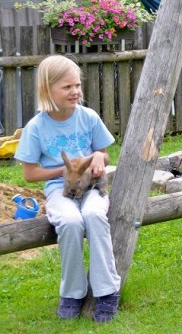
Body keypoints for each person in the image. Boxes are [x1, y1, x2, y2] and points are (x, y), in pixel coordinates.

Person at [15, 55, 121, 322]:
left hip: (92, 187)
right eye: (67, 87)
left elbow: (104, 154)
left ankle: (107, 291)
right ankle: (72, 293)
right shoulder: (36, 127)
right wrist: (65, 171)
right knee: (71, 221)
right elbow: (29, 174)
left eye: (77, 85)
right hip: (59, 189)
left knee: (94, 215)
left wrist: (98, 159)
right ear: (47, 89)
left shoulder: (88, 117)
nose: (75, 91)